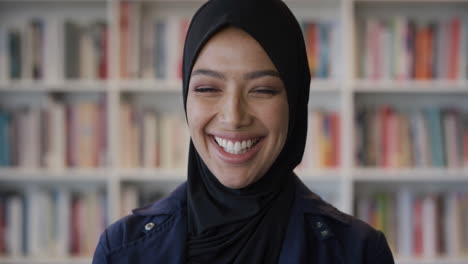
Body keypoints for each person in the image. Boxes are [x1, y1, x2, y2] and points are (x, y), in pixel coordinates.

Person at [92, 0, 395, 263]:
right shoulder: (120, 250)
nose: (233, 117)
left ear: (295, 100)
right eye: (208, 88)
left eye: (262, 90)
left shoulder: (359, 253)